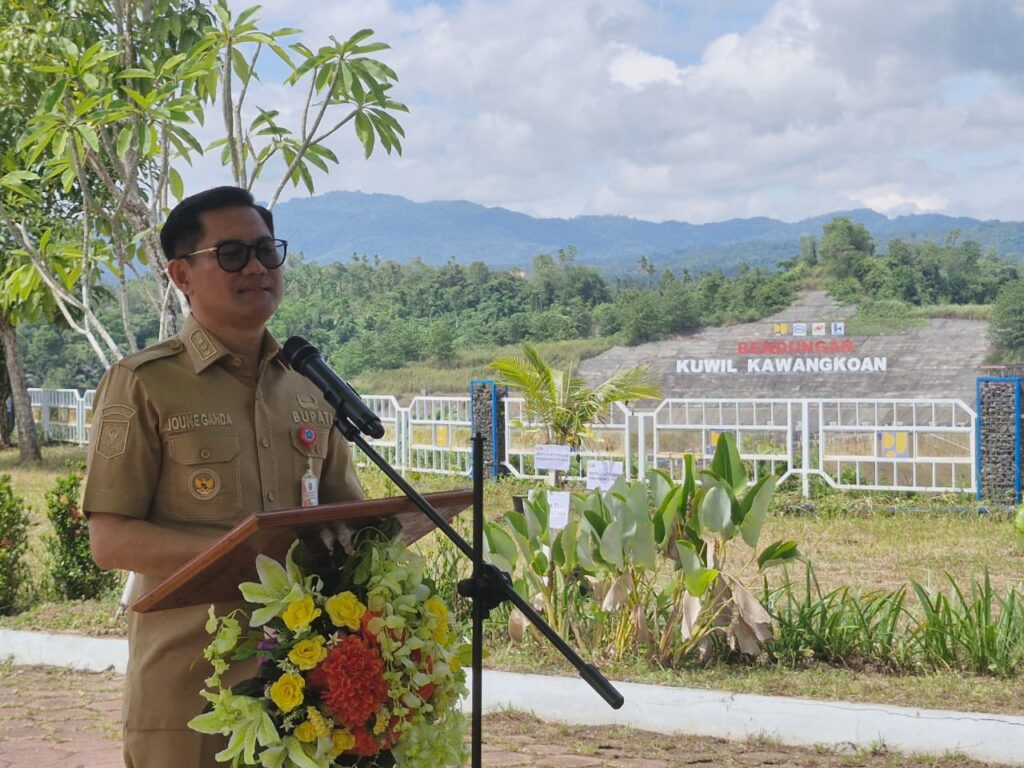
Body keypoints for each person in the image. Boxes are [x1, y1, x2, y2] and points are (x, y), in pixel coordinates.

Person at [85, 186, 365, 767]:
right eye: (232, 254)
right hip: (191, 691)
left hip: (306, 692)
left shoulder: (310, 384)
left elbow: (346, 519)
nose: (257, 267)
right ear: (181, 275)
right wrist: (257, 558)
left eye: (266, 250)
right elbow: (110, 540)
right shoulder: (143, 383)